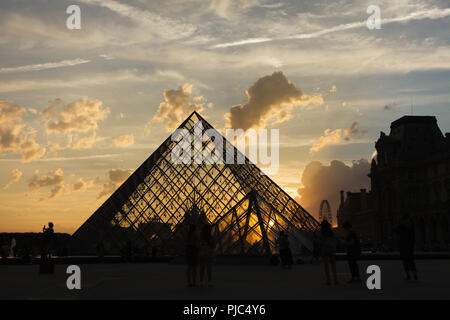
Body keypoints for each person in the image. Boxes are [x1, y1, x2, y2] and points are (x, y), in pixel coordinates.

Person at [395, 214, 418, 280]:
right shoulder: (411, 225)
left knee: (405, 261)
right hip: (409, 245)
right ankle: (414, 274)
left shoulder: (402, 226)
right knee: (411, 260)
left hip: (403, 245)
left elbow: (395, 229)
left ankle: (408, 274)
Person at [319, 220, 338, 285]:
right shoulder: (331, 232)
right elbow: (334, 240)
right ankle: (335, 279)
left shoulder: (321, 233)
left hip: (325, 249)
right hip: (331, 249)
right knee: (333, 265)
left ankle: (328, 280)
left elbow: (321, 241)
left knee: (326, 266)